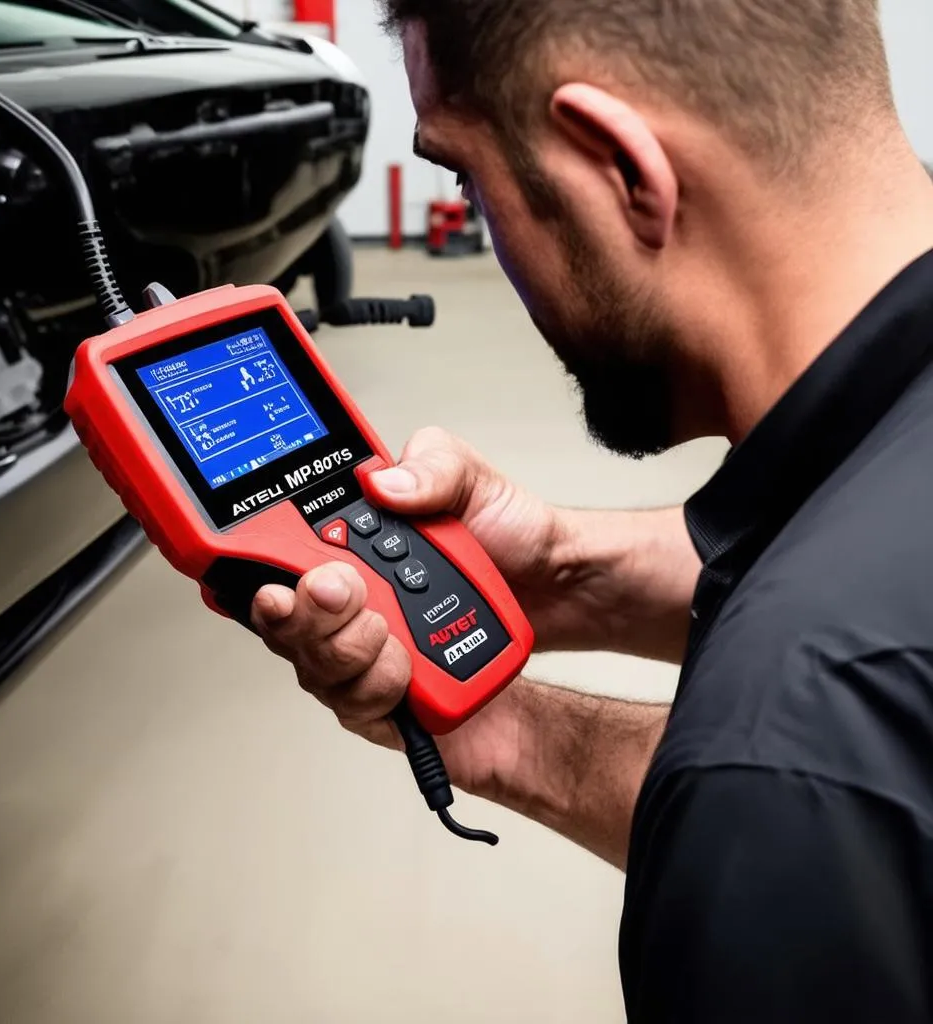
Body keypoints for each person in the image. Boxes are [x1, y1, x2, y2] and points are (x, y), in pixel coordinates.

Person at [252, 2, 933, 1020]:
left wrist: (741, 781)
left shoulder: (774, 775)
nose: (480, 215)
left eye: (466, 173)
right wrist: (562, 584)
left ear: (622, 171)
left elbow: (802, 788)